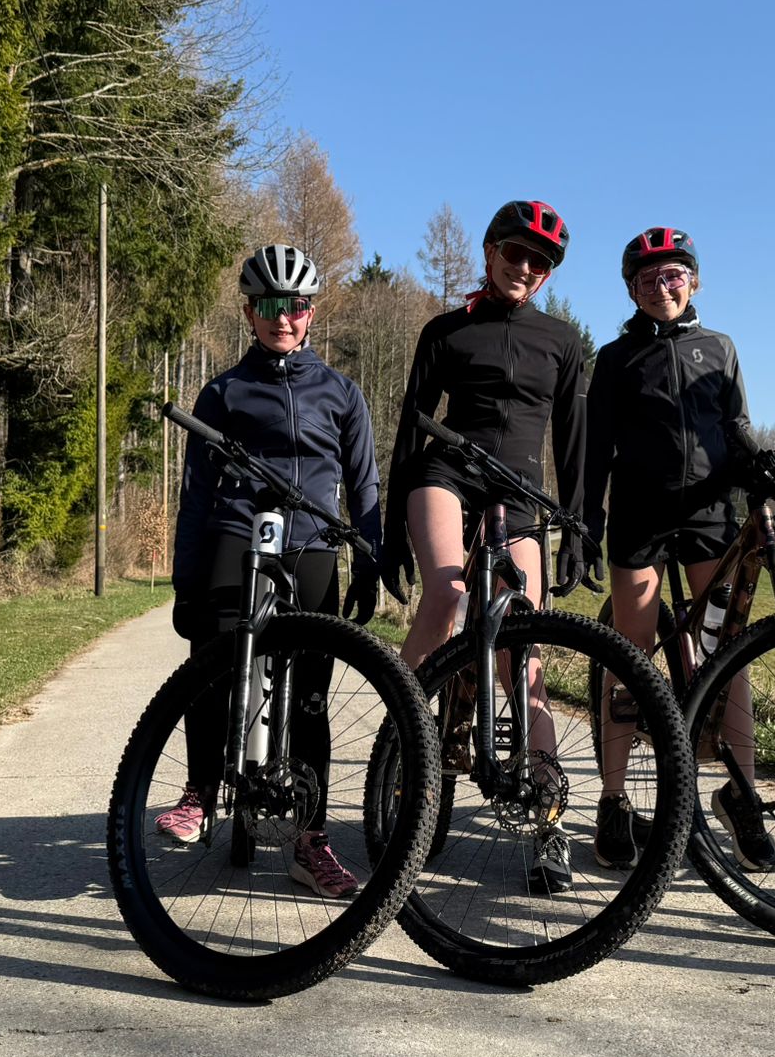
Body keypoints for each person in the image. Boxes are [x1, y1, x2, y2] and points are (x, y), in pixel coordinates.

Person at [158, 242, 389, 898]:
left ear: (311, 311)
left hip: (314, 539)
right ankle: (200, 791)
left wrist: (368, 561)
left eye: (293, 306)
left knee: (311, 693)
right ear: (249, 311)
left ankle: (310, 840)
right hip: (237, 528)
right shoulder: (224, 391)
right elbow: (196, 494)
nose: (280, 317)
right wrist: (185, 582)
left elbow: (365, 484)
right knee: (214, 662)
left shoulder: (342, 393)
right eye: (267, 305)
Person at [382, 199, 590, 893]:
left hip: (521, 495)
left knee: (522, 658)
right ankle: (400, 742)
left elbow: (574, 440)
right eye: (514, 253)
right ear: (489, 251)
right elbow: (412, 429)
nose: (525, 268)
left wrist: (578, 529)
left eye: (540, 261)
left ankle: (550, 823)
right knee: (447, 593)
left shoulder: (561, 341)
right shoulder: (446, 332)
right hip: (447, 475)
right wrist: (386, 534)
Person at [581, 227, 772, 872]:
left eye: (673, 276)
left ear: (693, 281)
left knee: (728, 652)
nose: (662, 288)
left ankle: (740, 792)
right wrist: (583, 526)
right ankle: (612, 799)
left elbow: (736, 425)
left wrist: (757, 465)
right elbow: (595, 452)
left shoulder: (720, 348)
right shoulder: (614, 358)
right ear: (632, 291)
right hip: (638, 513)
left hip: (710, 514)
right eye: (647, 279)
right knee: (628, 654)